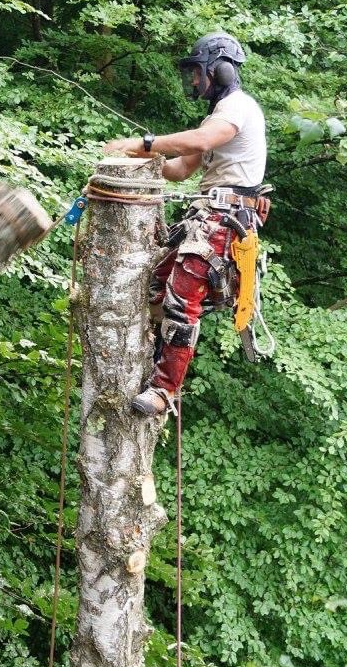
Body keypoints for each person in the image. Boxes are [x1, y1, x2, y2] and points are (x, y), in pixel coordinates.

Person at [103, 32, 268, 417]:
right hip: (203, 220)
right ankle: (155, 358)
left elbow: (204, 138)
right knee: (155, 284)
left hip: (223, 222)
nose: (194, 81)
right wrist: (144, 160)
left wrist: (143, 143)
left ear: (221, 71)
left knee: (183, 301)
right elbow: (180, 170)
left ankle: (164, 391)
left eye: (198, 72)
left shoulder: (238, 109)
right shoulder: (215, 117)